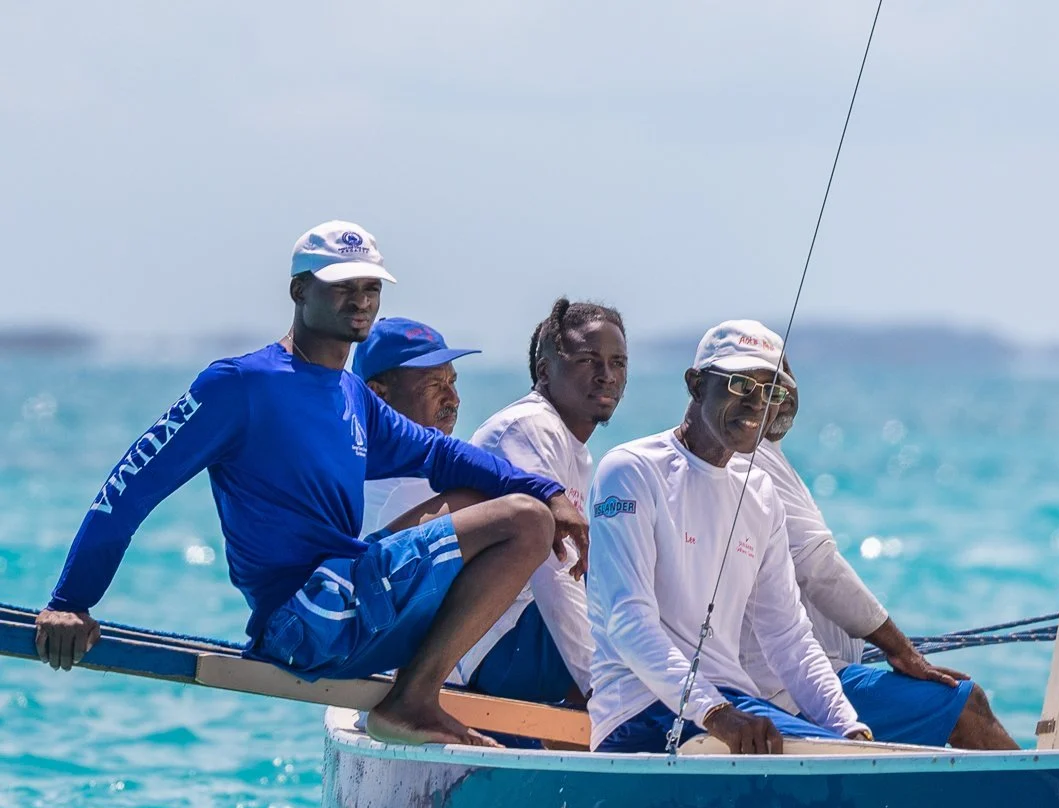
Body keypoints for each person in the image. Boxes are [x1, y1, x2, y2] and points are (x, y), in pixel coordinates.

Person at [32, 220, 588, 748]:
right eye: (342, 286)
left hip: (347, 603)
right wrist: (71, 600)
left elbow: (440, 454)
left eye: (370, 288)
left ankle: (444, 689)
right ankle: (412, 701)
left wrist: (549, 490)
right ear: (299, 290)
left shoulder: (351, 395)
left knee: (492, 500)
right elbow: (130, 488)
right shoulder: (240, 385)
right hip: (303, 619)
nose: (361, 300)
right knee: (524, 521)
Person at [586, 320, 870, 754]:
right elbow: (628, 620)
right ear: (696, 385)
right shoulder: (630, 470)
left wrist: (848, 727)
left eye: (771, 392)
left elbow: (788, 635)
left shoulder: (760, 492)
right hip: (638, 711)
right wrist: (714, 712)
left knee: (849, 753)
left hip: (728, 704)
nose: (757, 404)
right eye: (740, 385)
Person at [736, 366, 1020, 750]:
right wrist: (903, 653)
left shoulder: (764, 457)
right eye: (763, 386)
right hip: (790, 691)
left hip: (800, 679)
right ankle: (1047, 789)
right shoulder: (752, 459)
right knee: (964, 705)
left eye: (785, 383)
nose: (782, 397)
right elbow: (819, 568)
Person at [458, 298, 627, 704]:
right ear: (545, 370)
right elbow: (554, 571)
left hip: (521, 635)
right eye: (588, 360)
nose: (607, 375)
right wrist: (599, 686)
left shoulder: (569, 445)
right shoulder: (529, 428)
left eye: (618, 362)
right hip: (496, 641)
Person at [354, 316, 482, 536]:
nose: (454, 399)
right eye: (434, 385)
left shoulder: (352, 462)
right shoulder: (405, 485)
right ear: (377, 394)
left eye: (451, 382)